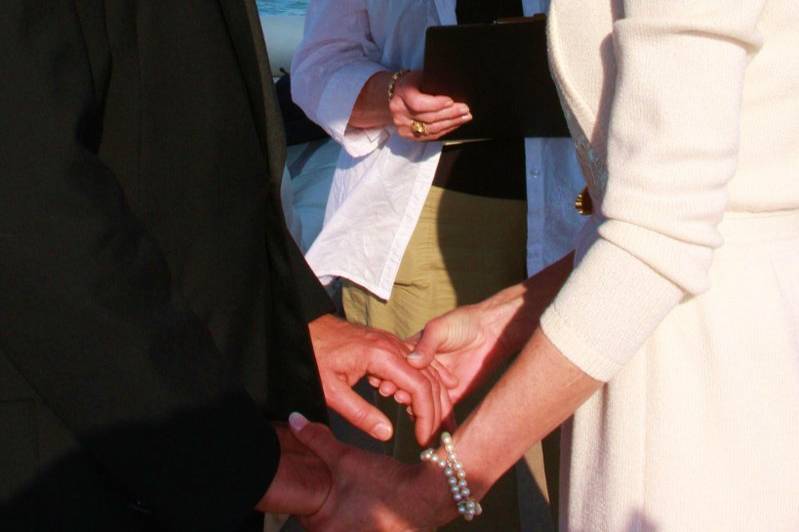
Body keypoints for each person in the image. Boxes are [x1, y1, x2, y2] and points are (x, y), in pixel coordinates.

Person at [289, 0, 799, 530]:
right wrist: (502, 321)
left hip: (695, 327)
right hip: (645, 278)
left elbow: (660, 228)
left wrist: (436, 490)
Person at [0, 1, 451, 530]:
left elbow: (184, 141)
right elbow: (33, 207)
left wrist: (299, 323)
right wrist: (218, 455)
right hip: (79, 447)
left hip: (194, 409)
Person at [291, 1, 585, 529]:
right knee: (433, 472)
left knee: (589, 465)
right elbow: (319, 67)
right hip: (421, 225)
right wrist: (391, 97)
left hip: (587, 212)